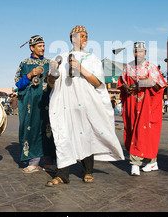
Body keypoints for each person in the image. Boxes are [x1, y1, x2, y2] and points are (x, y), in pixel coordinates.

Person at [46, 25, 124, 186]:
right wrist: (52, 75)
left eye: (86, 36)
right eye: (82, 35)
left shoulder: (92, 58)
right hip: (65, 103)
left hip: (86, 103)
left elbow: (98, 83)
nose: (85, 39)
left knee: (86, 134)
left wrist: (80, 68)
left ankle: (88, 171)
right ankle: (62, 174)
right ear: (73, 37)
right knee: (63, 136)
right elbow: (51, 84)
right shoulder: (61, 56)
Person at [118, 41, 167, 176]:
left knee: (145, 132)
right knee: (134, 130)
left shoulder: (151, 67)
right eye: (135, 51)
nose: (137, 54)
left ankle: (135, 163)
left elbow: (160, 87)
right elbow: (121, 83)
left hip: (147, 105)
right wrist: (125, 87)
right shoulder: (128, 67)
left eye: (140, 51)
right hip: (132, 104)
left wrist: (150, 82)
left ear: (145, 52)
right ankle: (152, 162)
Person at [15, 35, 56, 174]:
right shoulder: (25, 64)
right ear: (32, 48)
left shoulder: (50, 63)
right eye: (40, 46)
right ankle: (33, 162)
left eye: (44, 46)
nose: (43, 48)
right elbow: (18, 84)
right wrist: (30, 74)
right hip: (31, 104)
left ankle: (49, 161)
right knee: (31, 129)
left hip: (48, 101)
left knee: (49, 130)